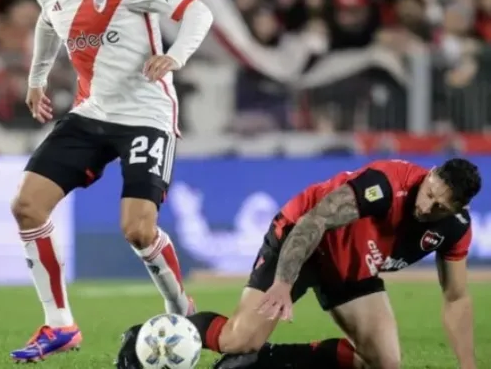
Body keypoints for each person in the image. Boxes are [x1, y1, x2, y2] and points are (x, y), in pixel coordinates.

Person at [10, 0, 214, 362]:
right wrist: (37, 78)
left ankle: (181, 309)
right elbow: (47, 22)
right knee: (26, 206)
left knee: (138, 230)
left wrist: (175, 57)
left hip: (146, 114)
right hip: (91, 112)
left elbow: (198, 12)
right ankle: (60, 325)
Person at [115, 158, 480, 369]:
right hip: (302, 238)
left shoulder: (455, 230)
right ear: (429, 176)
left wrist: (468, 365)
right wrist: (283, 285)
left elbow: (456, 298)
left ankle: (262, 363)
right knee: (239, 339)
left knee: (383, 363)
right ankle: (144, 338)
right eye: (429, 193)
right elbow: (314, 221)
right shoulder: (386, 185)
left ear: (458, 209)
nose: (426, 207)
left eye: (440, 207)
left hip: (352, 266)